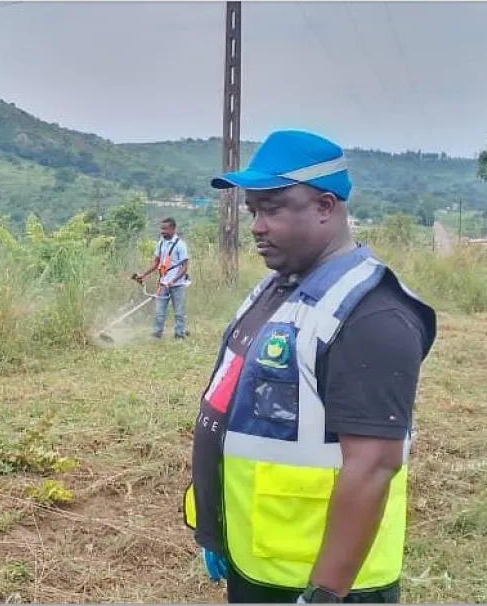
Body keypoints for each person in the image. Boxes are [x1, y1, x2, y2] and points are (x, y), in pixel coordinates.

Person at [182, 129, 437, 603]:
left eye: (272, 209)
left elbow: (373, 465)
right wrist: (217, 528)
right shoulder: (278, 289)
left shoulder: (371, 315)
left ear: (324, 206)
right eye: (253, 211)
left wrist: (325, 593)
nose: (257, 227)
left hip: (323, 584)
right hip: (258, 561)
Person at [135, 217, 190, 339]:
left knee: (179, 312)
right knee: (159, 311)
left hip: (177, 285)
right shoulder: (161, 243)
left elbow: (185, 267)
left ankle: (179, 335)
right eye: (161, 229)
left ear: (173, 229)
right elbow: (156, 263)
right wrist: (143, 274)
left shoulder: (180, 245)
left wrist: (173, 280)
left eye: (165, 229)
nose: (162, 232)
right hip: (163, 283)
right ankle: (157, 333)